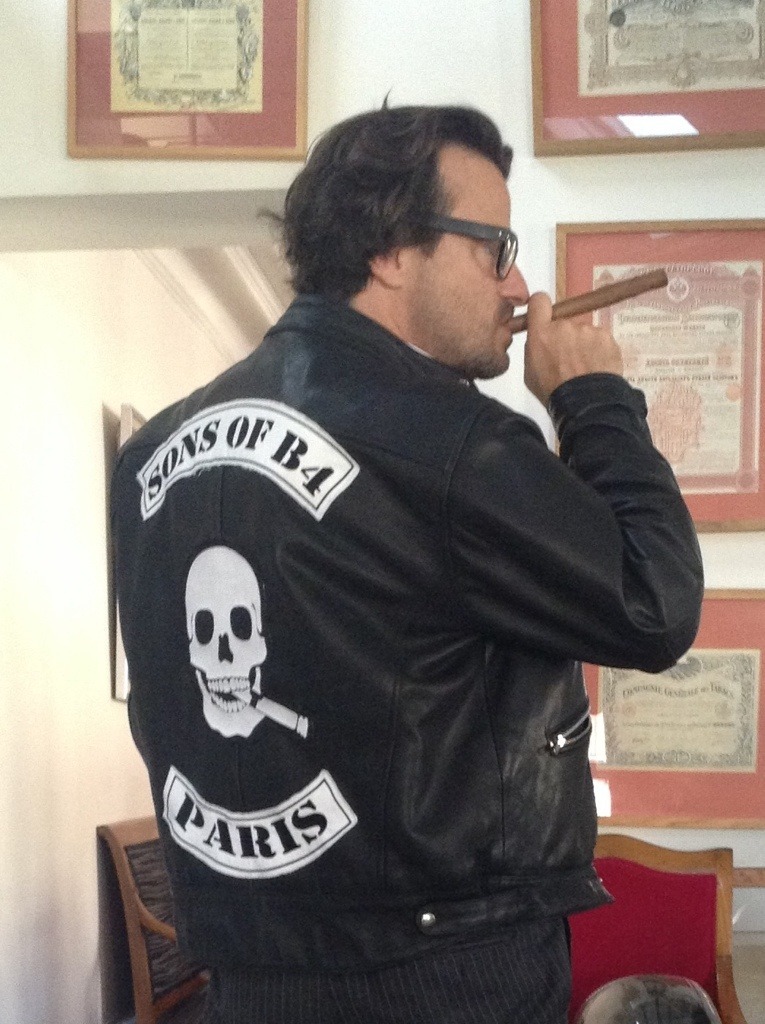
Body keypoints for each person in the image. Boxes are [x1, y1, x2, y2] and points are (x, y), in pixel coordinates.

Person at [111, 104, 703, 1024]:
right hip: (446, 971)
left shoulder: (151, 453)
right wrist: (594, 400)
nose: (517, 286)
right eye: (494, 248)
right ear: (390, 249)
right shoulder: (454, 443)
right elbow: (653, 603)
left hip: (247, 975)